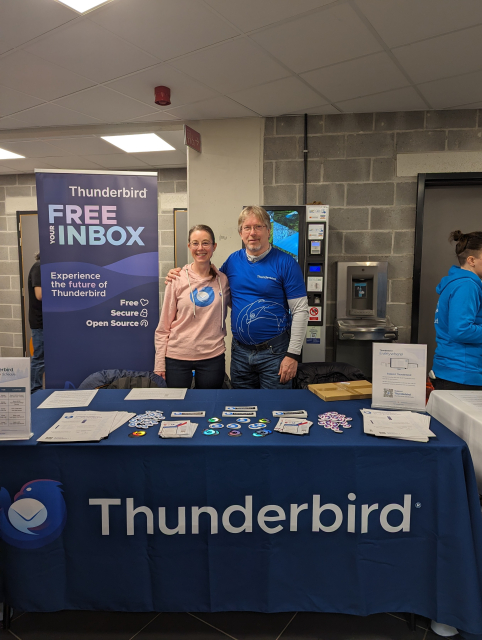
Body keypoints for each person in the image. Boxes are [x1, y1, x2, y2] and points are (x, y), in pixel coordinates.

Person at [167, 206, 309, 389]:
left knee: (275, 409)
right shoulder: (233, 261)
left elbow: (301, 311)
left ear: (269, 230)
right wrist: (178, 273)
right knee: (241, 410)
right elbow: (207, 281)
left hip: (275, 354)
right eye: (247, 228)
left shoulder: (286, 263)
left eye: (258, 227)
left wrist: (293, 355)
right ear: (240, 233)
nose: (252, 233)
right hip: (240, 354)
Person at [154, 225, 230, 389]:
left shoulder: (222, 280)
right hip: (177, 356)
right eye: (195, 243)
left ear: (214, 246)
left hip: (212, 355)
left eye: (205, 243)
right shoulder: (176, 279)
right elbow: (163, 327)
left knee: (209, 406)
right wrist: (159, 362)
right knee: (177, 408)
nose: (200, 248)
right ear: (189, 246)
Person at [432, 230, 482, 390]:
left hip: (454, 371)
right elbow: (461, 330)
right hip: (462, 374)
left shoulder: (458, 283)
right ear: (471, 260)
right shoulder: (467, 286)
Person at [28, 251, 44, 393]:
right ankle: (34, 391)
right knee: (39, 358)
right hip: (39, 321)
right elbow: (39, 295)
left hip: (47, 321)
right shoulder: (39, 267)